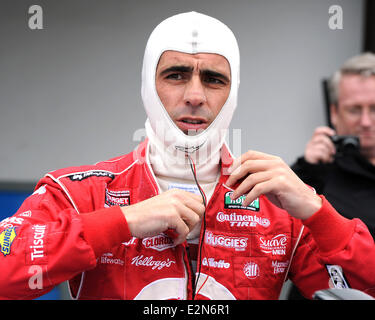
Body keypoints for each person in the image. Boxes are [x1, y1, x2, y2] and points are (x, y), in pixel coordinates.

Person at [0, 12, 375, 300]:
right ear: (149, 85)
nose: (195, 95)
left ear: (234, 91)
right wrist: (122, 221)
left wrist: (317, 211)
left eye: (213, 79)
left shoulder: (276, 203)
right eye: (176, 75)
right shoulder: (82, 192)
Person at [291, 53, 375, 238]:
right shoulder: (315, 172)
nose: (366, 121)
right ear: (334, 113)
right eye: (354, 110)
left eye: (374, 109)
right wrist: (308, 171)